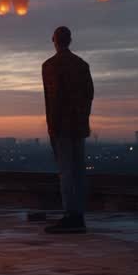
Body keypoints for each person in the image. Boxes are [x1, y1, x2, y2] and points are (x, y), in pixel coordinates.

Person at [42, 26, 94, 234]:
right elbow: (89, 94)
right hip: (78, 125)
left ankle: (71, 214)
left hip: (61, 125)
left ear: (54, 40)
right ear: (70, 40)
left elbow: (53, 98)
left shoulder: (50, 66)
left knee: (66, 171)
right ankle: (77, 213)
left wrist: (52, 126)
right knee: (78, 170)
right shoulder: (81, 65)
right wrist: (82, 118)